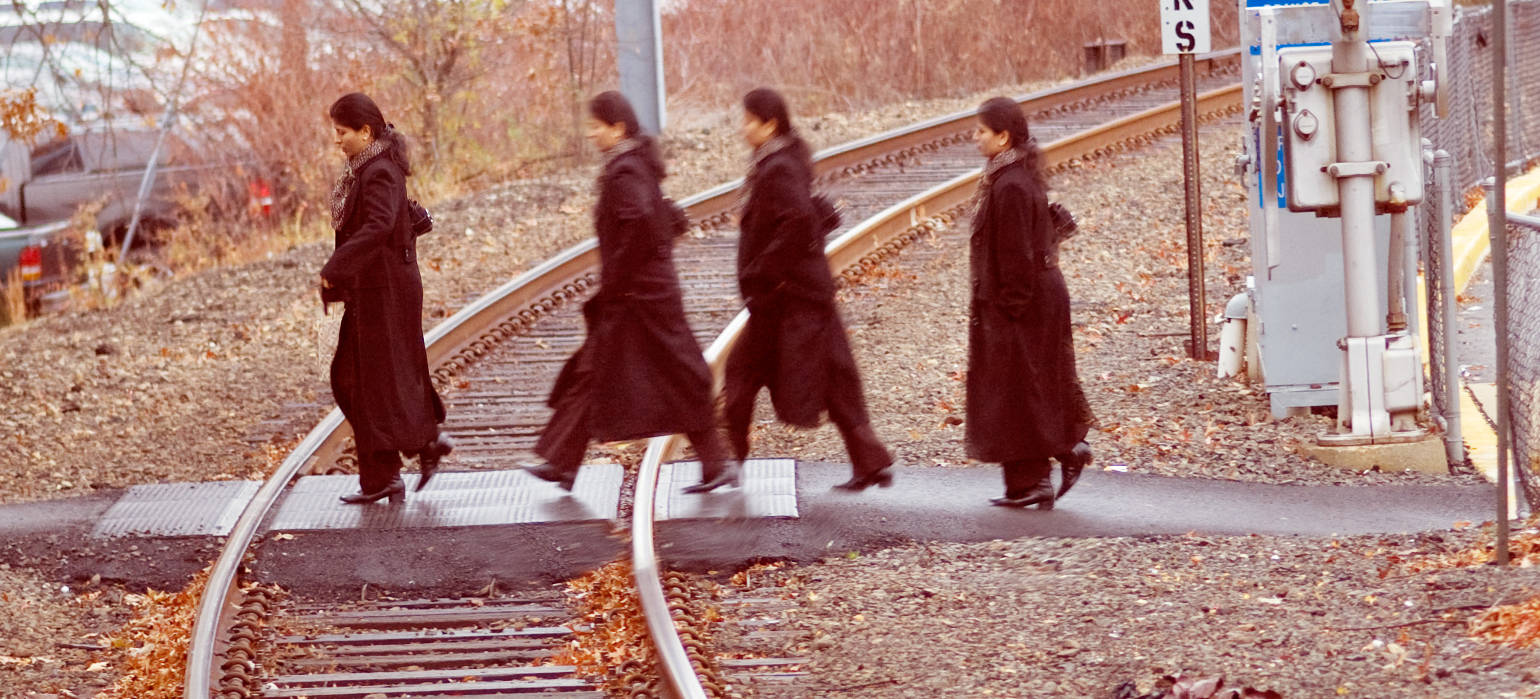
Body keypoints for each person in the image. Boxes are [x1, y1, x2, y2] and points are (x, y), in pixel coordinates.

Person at [523, 91, 738, 492]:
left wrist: (618, 279)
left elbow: (641, 222)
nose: (591, 134)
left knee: (675, 377)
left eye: (596, 126)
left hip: (641, 299)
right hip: (640, 295)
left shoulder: (626, 171)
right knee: (595, 371)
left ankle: (716, 463)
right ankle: (562, 462)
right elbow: (661, 220)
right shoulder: (634, 165)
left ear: (617, 128)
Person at [714, 87, 894, 494]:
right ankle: (871, 462)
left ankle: (728, 462)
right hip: (798, 295)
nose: (742, 129)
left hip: (787, 298)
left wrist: (763, 270)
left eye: (748, 121)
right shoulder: (782, 160)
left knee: (741, 373)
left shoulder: (778, 167)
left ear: (769, 123)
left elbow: (796, 221)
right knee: (836, 380)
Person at [321, 92, 453, 505]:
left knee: (369, 380)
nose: (337, 140)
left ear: (366, 131)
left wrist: (335, 267)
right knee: (366, 380)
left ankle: (404, 459)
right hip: (376, 288)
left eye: (342, 132)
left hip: (387, 291)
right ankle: (398, 463)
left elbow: (378, 226)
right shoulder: (367, 169)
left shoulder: (379, 172)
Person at [967, 97, 1094, 510]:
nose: (975, 138)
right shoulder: (1010, 178)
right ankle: (1028, 482)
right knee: (1019, 389)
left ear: (1002, 137)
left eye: (981, 131)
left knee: (1024, 387)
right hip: (1027, 298)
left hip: (1027, 301)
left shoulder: (1011, 185)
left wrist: (1011, 309)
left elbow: (1016, 255)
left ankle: (1060, 457)